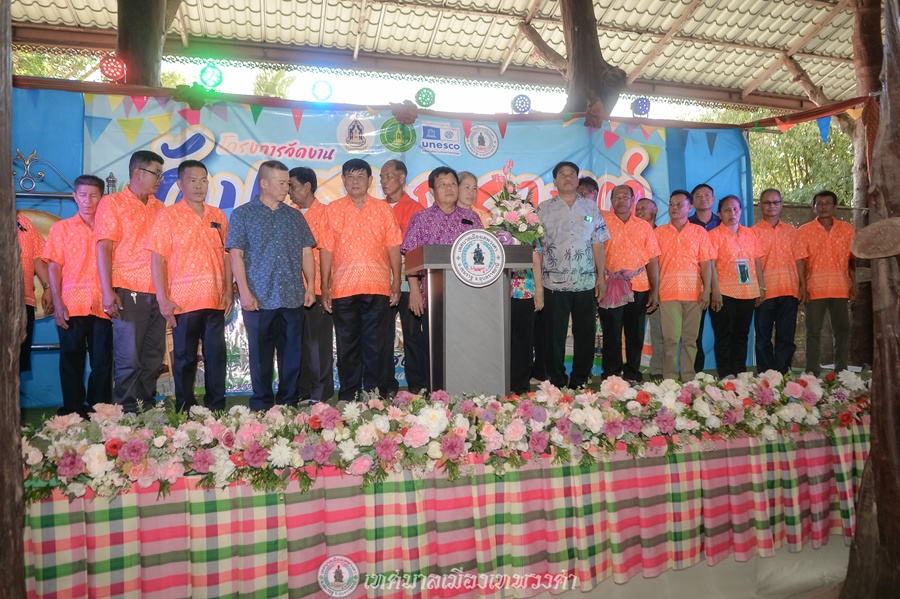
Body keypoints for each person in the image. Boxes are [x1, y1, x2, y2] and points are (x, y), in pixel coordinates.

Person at [227, 160, 317, 411]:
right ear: (264, 184)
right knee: (260, 356)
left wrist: (311, 285)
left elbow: (306, 251)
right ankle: (262, 404)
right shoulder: (243, 214)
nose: (286, 188)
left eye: (288, 183)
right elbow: (235, 255)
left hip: (292, 296)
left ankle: (288, 402)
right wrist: (244, 292)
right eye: (281, 183)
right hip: (259, 297)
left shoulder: (294, 216)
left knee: (292, 355)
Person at [148, 161, 232, 412]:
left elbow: (227, 256)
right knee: (184, 356)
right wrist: (162, 298)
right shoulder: (168, 215)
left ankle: (216, 404)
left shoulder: (218, 215)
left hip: (215, 298)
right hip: (183, 301)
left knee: (216, 354)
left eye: (203, 180)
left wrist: (229, 290)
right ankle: (185, 406)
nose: (199, 186)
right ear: (180, 184)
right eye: (192, 180)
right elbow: (157, 258)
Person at [320, 158, 402, 401]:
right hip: (343, 289)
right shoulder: (332, 209)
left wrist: (396, 282)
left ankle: (374, 396)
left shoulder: (383, 209)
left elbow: (393, 247)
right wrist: (325, 286)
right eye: (350, 177)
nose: (355, 182)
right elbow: (326, 250)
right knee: (347, 346)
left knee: (376, 346)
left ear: (369, 180)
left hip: (378, 287)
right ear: (343, 180)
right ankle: (349, 396)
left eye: (360, 177)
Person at [95, 150, 166, 412]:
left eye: (161, 175)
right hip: (127, 290)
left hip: (158, 292)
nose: (159, 179)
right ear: (138, 173)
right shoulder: (112, 203)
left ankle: (145, 407)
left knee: (153, 355)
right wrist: (107, 291)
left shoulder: (160, 208)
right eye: (156, 174)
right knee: (129, 357)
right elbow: (103, 248)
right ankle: (126, 411)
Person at [401, 166, 483, 391]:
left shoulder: (472, 218)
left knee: (465, 344)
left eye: (453, 184)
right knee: (434, 346)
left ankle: (465, 390)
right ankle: (434, 392)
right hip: (433, 296)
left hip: (467, 296)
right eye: (442, 184)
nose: (449, 188)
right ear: (432, 191)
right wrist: (415, 291)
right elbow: (411, 257)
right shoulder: (421, 219)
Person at [42, 175, 111, 416]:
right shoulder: (61, 228)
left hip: (103, 304)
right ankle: (72, 410)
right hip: (71, 304)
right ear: (75, 197)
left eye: (93, 195)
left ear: (102, 198)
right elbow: (54, 267)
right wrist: (57, 302)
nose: (87, 200)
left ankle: (100, 409)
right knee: (71, 358)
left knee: (103, 360)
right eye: (82, 195)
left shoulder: (109, 230)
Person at [538, 161, 609, 389]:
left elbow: (598, 243)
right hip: (553, 282)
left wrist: (601, 277)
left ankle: (580, 379)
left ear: (577, 180)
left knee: (585, 333)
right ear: (555, 181)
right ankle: (557, 379)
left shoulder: (591, 208)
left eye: (571, 174)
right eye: (562, 174)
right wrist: (538, 285)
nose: (567, 177)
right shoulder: (543, 209)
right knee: (554, 335)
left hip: (585, 281)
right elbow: (538, 248)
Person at [598, 185, 660, 382]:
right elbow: (592, 247)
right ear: (611, 201)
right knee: (612, 333)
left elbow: (652, 260)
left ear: (633, 200)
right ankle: (611, 374)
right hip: (610, 285)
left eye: (626, 197)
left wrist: (655, 290)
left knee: (635, 333)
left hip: (639, 286)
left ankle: (633, 373)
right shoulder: (601, 221)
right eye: (617, 197)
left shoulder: (644, 227)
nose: (621, 200)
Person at [655, 190, 714, 381]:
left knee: (690, 340)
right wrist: (654, 292)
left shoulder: (699, 232)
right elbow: (653, 265)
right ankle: (670, 378)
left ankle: (688, 377)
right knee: (670, 339)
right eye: (672, 204)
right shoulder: (659, 233)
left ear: (690, 208)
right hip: (667, 292)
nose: (674, 208)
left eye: (679, 204)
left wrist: (707, 290)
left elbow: (706, 263)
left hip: (694, 294)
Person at [288, 166, 335, 404]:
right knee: (298, 343)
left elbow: (329, 251)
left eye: (293, 186)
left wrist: (325, 286)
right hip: (292, 291)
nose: (289, 192)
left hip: (317, 288)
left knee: (318, 343)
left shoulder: (326, 213)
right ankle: (302, 389)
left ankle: (321, 391)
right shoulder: (290, 215)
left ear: (307, 187)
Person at [798, 190, 856, 375]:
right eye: (819, 203)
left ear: (835, 207)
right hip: (814, 288)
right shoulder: (804, 231)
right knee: (813, 332)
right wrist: (803, 286)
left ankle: (842, 372)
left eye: (828, 203)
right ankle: (812, 372)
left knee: (842, 330)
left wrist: (854, 283)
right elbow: (800, 260)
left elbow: (852, 259)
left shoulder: (847, 229)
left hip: (841, 287)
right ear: (813, 207)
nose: (823, 207)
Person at [379, 160, 424, 394]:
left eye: (389, 176)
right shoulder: (377, 208)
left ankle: (418, 385)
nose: (384, 181)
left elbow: (416, 251)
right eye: (382, 177)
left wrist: (414, 286)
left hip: (409, 282)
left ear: (402, 178)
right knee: (382, 337)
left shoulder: (416, 209)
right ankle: (386, 386)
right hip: (380, 283)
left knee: (413, 335)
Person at [707, 196, 765, 379]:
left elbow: (756, 262)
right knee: (724, 334)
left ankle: (740, 371)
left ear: (740, 211)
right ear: (719, 214)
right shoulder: (713, 235)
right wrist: (714, 291)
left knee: (742, 333)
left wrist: (761, 287)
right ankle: (725, 373)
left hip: (748, 292)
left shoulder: (750, 233)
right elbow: (710, 266)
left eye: (735, 209)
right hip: (723, 292)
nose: (732, 213)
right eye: (727, 210)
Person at [752, 188, 808, 373]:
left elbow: (799, 259)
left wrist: (802, 285)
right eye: (767, 202)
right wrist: (756, 289)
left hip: (789, 289)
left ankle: (783, 374)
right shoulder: (752, 233)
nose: (771, 206)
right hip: (764, 292)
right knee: (763, 337)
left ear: (782, 204)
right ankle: (765, 375)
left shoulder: (792, 232)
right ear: (760, 205)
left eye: (775, 202)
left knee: (786, 336)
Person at [688, 183, 721, 374]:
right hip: (694, 287)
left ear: (713, 199)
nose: (703, 199)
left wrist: (715, 288)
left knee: (722, 330)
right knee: (694, 333)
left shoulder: (723, 223)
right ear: (692, 202)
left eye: (707, 195)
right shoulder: (687, 224)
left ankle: (725, 372)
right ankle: (695, 373)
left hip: (721, 285)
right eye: (698, 196)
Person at [17, 212, 52, 373]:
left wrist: (48, 288)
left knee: (17, 360)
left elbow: (38, 257)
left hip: (23, 301)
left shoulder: (23, 222)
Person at [635, 197, 663, 379]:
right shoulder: (633, 233)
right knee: (634, 333)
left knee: (659, 333)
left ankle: (658, 371)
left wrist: (657, 289)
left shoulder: (663, 233)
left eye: (644, 207)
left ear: (655, 210)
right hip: (637, 289)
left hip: (659, 290)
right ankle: (632, 370)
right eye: (637, 208)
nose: (640, 211)